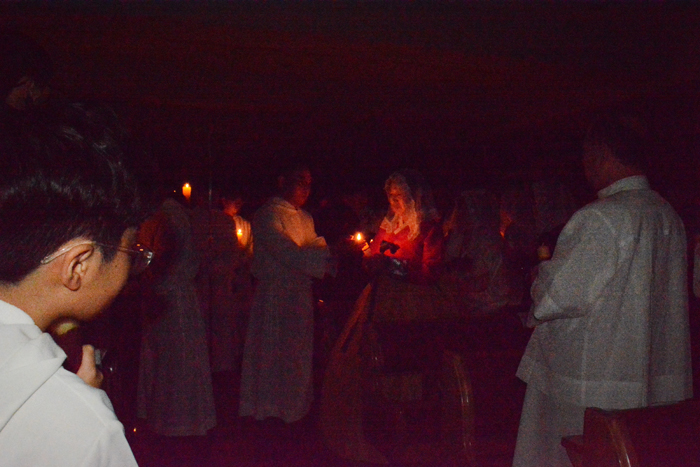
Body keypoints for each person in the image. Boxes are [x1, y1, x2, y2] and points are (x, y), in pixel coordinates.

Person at [512, 110, 693, 467]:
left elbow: (555, 297)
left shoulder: (600, 217)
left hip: (590, 382)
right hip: (647, 376)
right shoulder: (668, 215)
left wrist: (539, 277)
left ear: (603, 154)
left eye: (586, 155)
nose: (584, 166)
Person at [0, 102, 147, 465]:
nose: (135, 264)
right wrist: (78, 405)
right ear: (78, 265)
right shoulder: (88, 430)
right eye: (132, 251)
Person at [239, 164, 335, 425]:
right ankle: (270, 409)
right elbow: (288, 252)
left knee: (297, 353)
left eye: (309, 183)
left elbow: (313, 248)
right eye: (300, 181)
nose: (306, 189)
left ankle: (296, 407)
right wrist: (316, 255)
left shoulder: (306, 218)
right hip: (275, 296)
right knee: (273, 352)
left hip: (299, 296)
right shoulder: (267, 215)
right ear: (283, 181)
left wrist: (314, 254)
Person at [136, 190, 217, 437]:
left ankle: (177, 421)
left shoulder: (169, 216)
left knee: (177, 360)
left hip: (172, 297)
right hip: (168, 295)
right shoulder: (168, 215)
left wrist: (146, 274)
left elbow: (163, 259)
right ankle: (170, 418)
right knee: (168, 358)